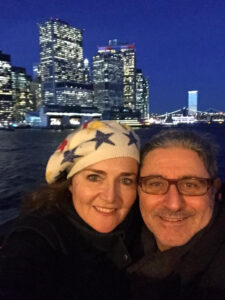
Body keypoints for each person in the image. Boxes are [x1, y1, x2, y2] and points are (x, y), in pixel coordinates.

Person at [0, 120, 141, 300]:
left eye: (125, 181)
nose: (110, 197)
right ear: (70, 184)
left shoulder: (143, 229)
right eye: (94, 177)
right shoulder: (37, 241)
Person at [128, 129, 225, 300]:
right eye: (155, 184)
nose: (174, 204)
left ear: (215, 191)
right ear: (138, 190)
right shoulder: (121, 243)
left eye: (191, 185)